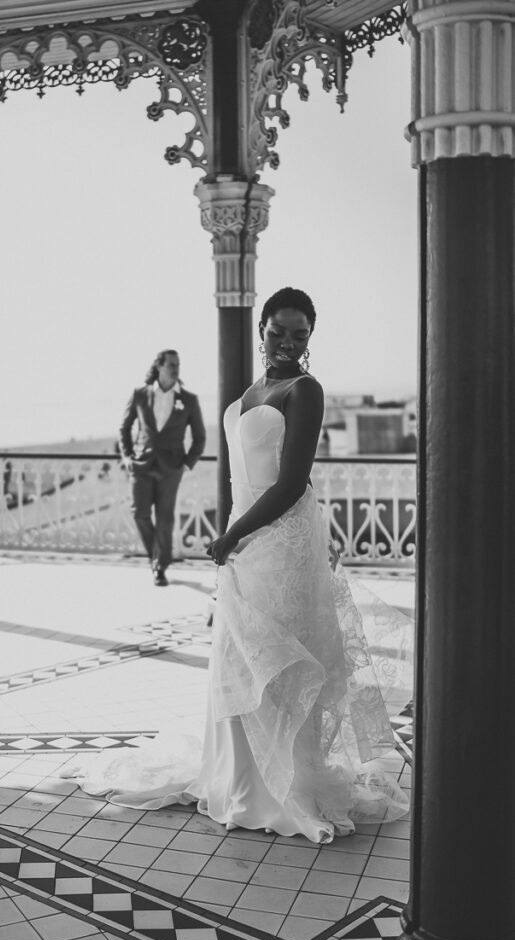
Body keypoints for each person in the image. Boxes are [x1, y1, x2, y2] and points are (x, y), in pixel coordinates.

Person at [72, 290, 408, 844]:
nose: (289, 344)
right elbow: (240, 477)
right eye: (279, 332)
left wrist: (232, 533)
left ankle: (283, 787)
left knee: (279, 662)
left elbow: (292, 481)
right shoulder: (251, 391)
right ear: (261, 329)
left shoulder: (306, 391)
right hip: (245, 544)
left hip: (282, 542)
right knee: (236, 657)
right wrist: (233, 538)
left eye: (300, 336)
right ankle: (236, 779)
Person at [119, 350, 206, 586]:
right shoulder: (139, 395)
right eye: (171, 364)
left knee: (165, 519)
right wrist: (127, 456)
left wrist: (186, 465)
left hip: (171, 468)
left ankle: (159, 566)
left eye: (178, 364)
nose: (176, 368)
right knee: (140, 513)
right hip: (141, 464)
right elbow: (124, 428)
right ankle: (156, 556)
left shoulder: (188, 400)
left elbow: (199, 437)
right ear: (159, 366)